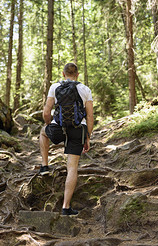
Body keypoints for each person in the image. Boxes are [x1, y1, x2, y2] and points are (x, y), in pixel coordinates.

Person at [39, 63, 94, 216]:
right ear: (77, 74)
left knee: (43, 133)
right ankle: (65, 207)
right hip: (78, 130)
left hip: (58, 127)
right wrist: (87, 137)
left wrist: (50, 125)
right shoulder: (85, 89)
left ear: (63, 74)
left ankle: (44, 166)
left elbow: (46, 111)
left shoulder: (55, 87)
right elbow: (90, 116)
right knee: (72, 168)